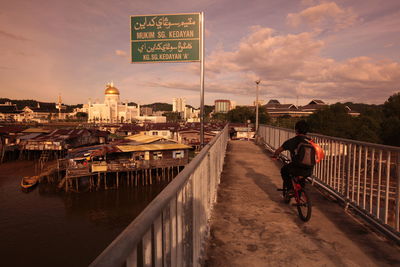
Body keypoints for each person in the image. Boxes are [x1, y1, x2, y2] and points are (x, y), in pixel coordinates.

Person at [272, 120, 314, 192]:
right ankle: (300, 193)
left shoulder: (292, 141)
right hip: (309, 169)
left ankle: (290, 189)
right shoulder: (311, 141)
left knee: (284, 170)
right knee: (301, 177)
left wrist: (275, 156)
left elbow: (278, 150)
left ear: (296, 130)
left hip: (296, 167)